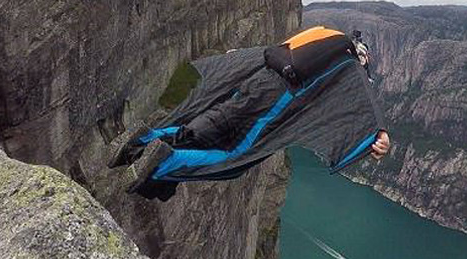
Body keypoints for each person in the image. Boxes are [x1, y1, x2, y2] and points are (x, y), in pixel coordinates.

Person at [109, 26, 391, 201]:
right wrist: (380, 137)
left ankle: (148, 138)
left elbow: (274, 50)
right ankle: (164, 163)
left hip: (256, 79)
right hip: (276, 98)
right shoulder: (350, 65)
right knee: (235, 156)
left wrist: (236, 56)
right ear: (361, 55)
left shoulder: (319, 35)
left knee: (214, 123)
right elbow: (366, 106)